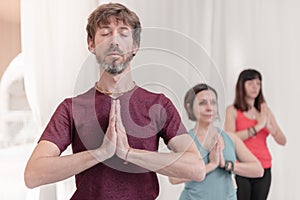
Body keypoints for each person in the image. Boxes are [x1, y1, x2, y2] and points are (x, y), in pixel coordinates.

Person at [24, 3, 206, 200]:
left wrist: (129, 153)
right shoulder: (71, 108)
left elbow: (195, 168)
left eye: (123, 33)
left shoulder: (159, 104)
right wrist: (100, 153)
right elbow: (33, 175)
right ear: (91, 44)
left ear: (135, 46)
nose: (114, 41)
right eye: (105, 32)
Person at [169, 83, 263, 200]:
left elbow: (258, 170)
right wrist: (211, 165)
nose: (209, 107)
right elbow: (173, 178)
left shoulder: (231, 138)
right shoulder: (184, 140)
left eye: (213, 102)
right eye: (202, 103)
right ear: (189, 107)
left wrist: (227, 165)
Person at [225, 69, 287, 200]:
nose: (255, 87)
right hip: (243, 166)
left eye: (258, 83)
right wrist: (258, 126)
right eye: (250, 83)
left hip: (264, 166)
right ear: (242, 85)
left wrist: (269, 126)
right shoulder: (232, 110)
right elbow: (229, 138)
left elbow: (282, 140)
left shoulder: (265, 111)